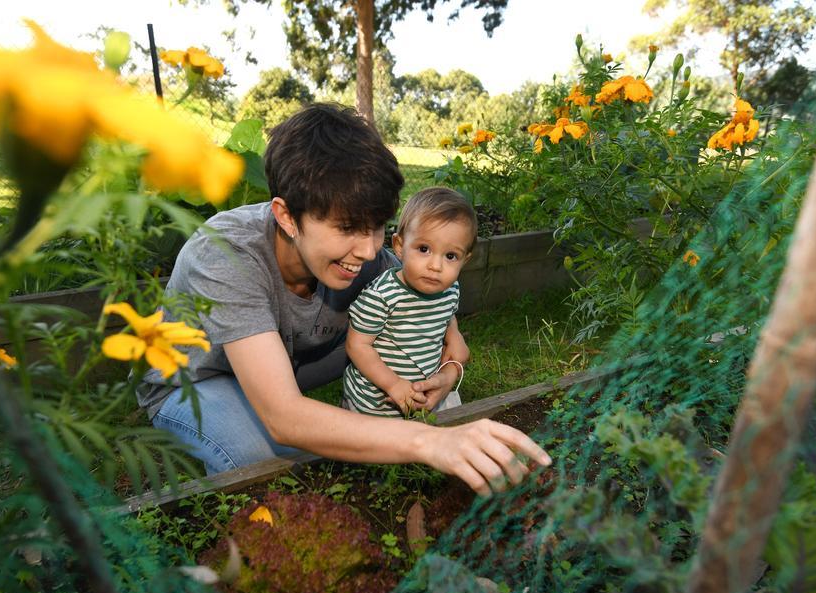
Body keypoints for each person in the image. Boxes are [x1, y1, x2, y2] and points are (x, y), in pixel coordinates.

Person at [136, 103, 549, 495]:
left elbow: (430, 314)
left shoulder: (366, 256)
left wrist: (447, 372)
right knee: (262, 456)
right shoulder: (225, 253)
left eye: (377, 228)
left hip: (297, 363)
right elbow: (285, 419)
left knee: (340, 428)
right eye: (348, 228)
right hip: (197, 378)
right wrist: (428, 441)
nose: (369, 251)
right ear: (286, 216)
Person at [342, 187, 475, 416]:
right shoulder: (383, 295)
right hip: (375, 403)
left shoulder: (450, 289)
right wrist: (393, 384)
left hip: (423, 393)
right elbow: (357, 345)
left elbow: (447, 314)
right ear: (399, 246)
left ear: (464, 260)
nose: (436, 266)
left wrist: (455, 337)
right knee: (375, 449)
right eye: (424, 249)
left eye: (450, 256)